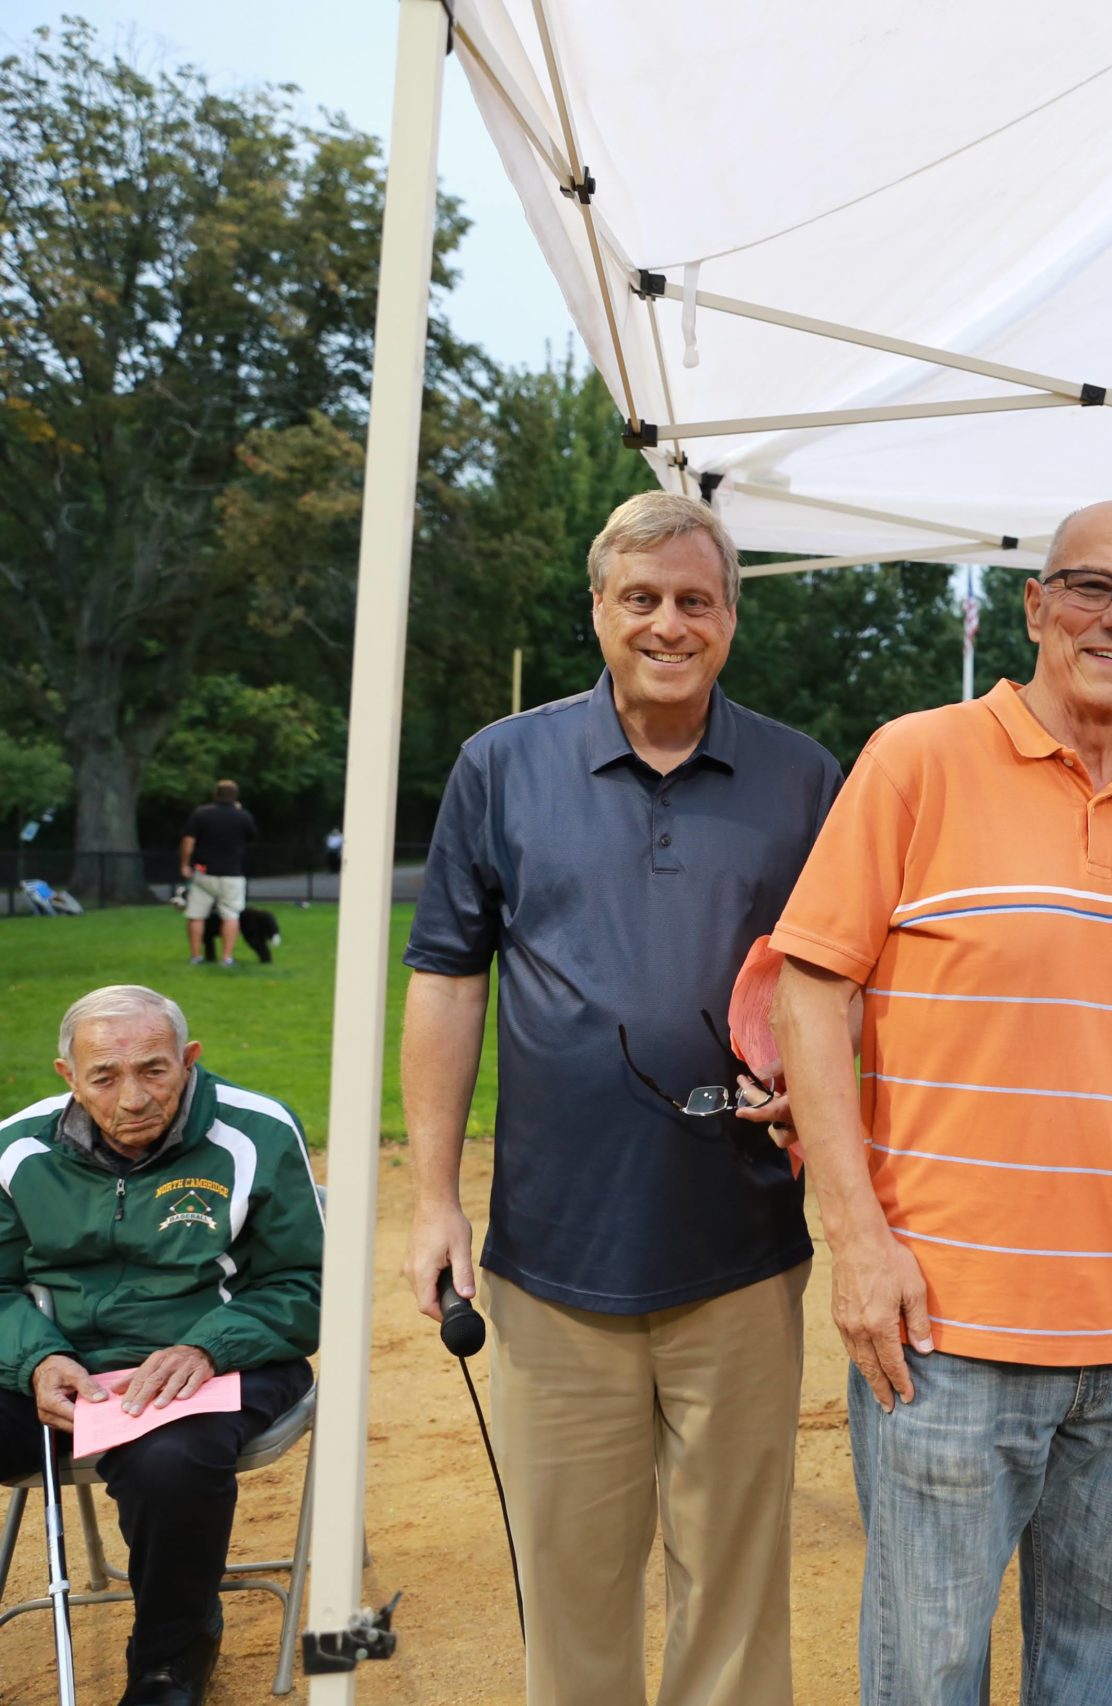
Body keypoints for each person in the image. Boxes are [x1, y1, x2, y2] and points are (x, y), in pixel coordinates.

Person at [767, 499, 1112, 1706]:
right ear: (1034, 606)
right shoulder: (916, 759)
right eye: (1091, 587)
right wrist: (857, 1242)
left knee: (1103, 1660)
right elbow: (809, 995)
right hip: (948, 1331)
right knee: (928, 1672)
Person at [399, 490, 841, 1706]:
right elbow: (446, 979)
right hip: (554, 1255)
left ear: (731, 617)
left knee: (735, 1590)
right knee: (572, 1585)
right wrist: (433, 1197)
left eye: (695, 600)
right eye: (640, 598)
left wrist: (810, 1089)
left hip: (742, 1245)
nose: (667, 624)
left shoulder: (804, 774)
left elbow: (843, 982)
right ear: (597, 607)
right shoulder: (501, 764)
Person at [0, 985, 322, 1706]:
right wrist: (36, 1360)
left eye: (154, 1069)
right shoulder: (15, 1147)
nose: (134, 1098)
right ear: (68, 1077)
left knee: (171, 1463)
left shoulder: (258, 1133)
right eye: (104, 1077)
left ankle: (170, 1662)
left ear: (189, 1059)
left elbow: (307, 1282)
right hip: (63, 1365)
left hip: (221, 1358)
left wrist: (207, 1348)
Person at [177, 780, 257, 967]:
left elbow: (188, 842)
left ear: (215, 794)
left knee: (196, 914)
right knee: (231, 914)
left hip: (203, 872)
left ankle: (196, 956)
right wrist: (239, 811)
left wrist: (185, 865)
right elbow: (252, 837)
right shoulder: (243, 816)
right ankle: (226, 958)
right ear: (236, 796)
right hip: (232, 873)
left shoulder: (201, 814)